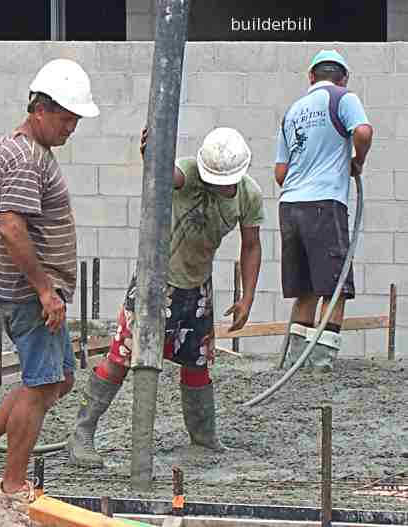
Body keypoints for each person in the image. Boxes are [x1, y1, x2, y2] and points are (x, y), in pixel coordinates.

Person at [0, 59, 99, 502]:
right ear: (40, 110)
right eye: (67, 119)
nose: (72, 128)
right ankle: (12, 484)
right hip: (30, 294)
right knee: (40, 384)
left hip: (33, 292)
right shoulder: (26, 157)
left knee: (58, 379)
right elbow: (11, 227)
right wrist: (45, 290)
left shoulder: (28, 151)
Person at [68, 126, 264, 468]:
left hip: (197, 286)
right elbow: (164, 173)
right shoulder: (188, 174)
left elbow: (251, 245)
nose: (219, 187)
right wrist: (151, 152)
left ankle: (203, 438)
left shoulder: (248, 195)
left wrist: (247, 297)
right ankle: (81, 434)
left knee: (197, 362)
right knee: (122, 357)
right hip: (156, 281)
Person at [274, 49, 373, 372]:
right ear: (343, 78)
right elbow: (363, 132)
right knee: (334, 286)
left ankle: (295, 363)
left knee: (304, 288)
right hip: (324, 203)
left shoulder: (292, 111)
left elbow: (280, 172)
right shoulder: (343, 98)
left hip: (290, 206)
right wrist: (356, 162)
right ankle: (321, 362)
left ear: (311, 78)